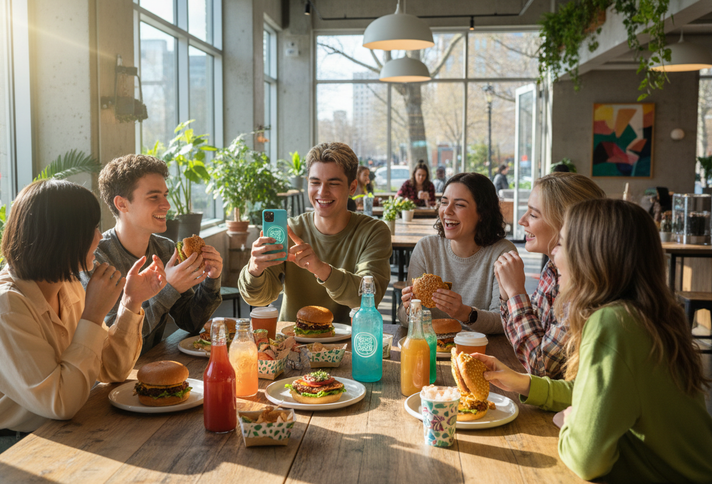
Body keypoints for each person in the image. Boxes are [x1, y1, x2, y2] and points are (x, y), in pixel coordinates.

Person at [474, 199, 712, 484]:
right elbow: (596, 396)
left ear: (591, 257)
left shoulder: (613, 324)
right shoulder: (649, 315)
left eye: (562, 244)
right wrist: (524, 383)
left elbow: (586, 460)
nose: (553, 255)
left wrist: (570, 425)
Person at [0, 179, 166, 484]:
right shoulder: (4, 305)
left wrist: (131, 301)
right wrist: (94, 314)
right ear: (61, 238)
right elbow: (61, 403)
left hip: (49, 437)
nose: (99, 238)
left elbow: (112, 368)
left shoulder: (67, 286)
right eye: (91, 229)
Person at [81, 154, 223, 355]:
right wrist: (170, 289)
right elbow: (114, 343)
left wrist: (212, 279)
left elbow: (191, 321)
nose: (166, 205)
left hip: (153, 365)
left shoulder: (165, 250)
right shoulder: (95, 260)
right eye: (154, 197)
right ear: (121, 204)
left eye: (165, 195)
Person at [239, 142, 392, 324]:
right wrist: (255, 270)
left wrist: (321, 269)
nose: (322, 192)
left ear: (352, 187)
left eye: (333, 183)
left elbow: (369, 297)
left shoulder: (374, 232)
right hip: (291, 343)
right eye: (315, 182)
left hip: (348, 345)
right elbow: (258, 299)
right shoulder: (289, 230)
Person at [494, 173, 605, 378]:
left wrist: (516, 293)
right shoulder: (553, 269)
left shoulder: (584, 285)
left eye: (533, 215)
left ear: (568, 225)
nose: (521, 220)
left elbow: (541, 366)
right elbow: (524, 343)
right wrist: (507, 295)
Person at [399, 172, 516, 334]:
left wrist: (464, 313)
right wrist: (408, 309)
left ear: (483, 212)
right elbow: (404, 320)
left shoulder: (502, 253)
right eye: (444, 202)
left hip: (482, 351)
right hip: (431, 348)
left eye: (459, 205)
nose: (447, 211)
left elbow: (503, 321)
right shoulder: (426, 248)